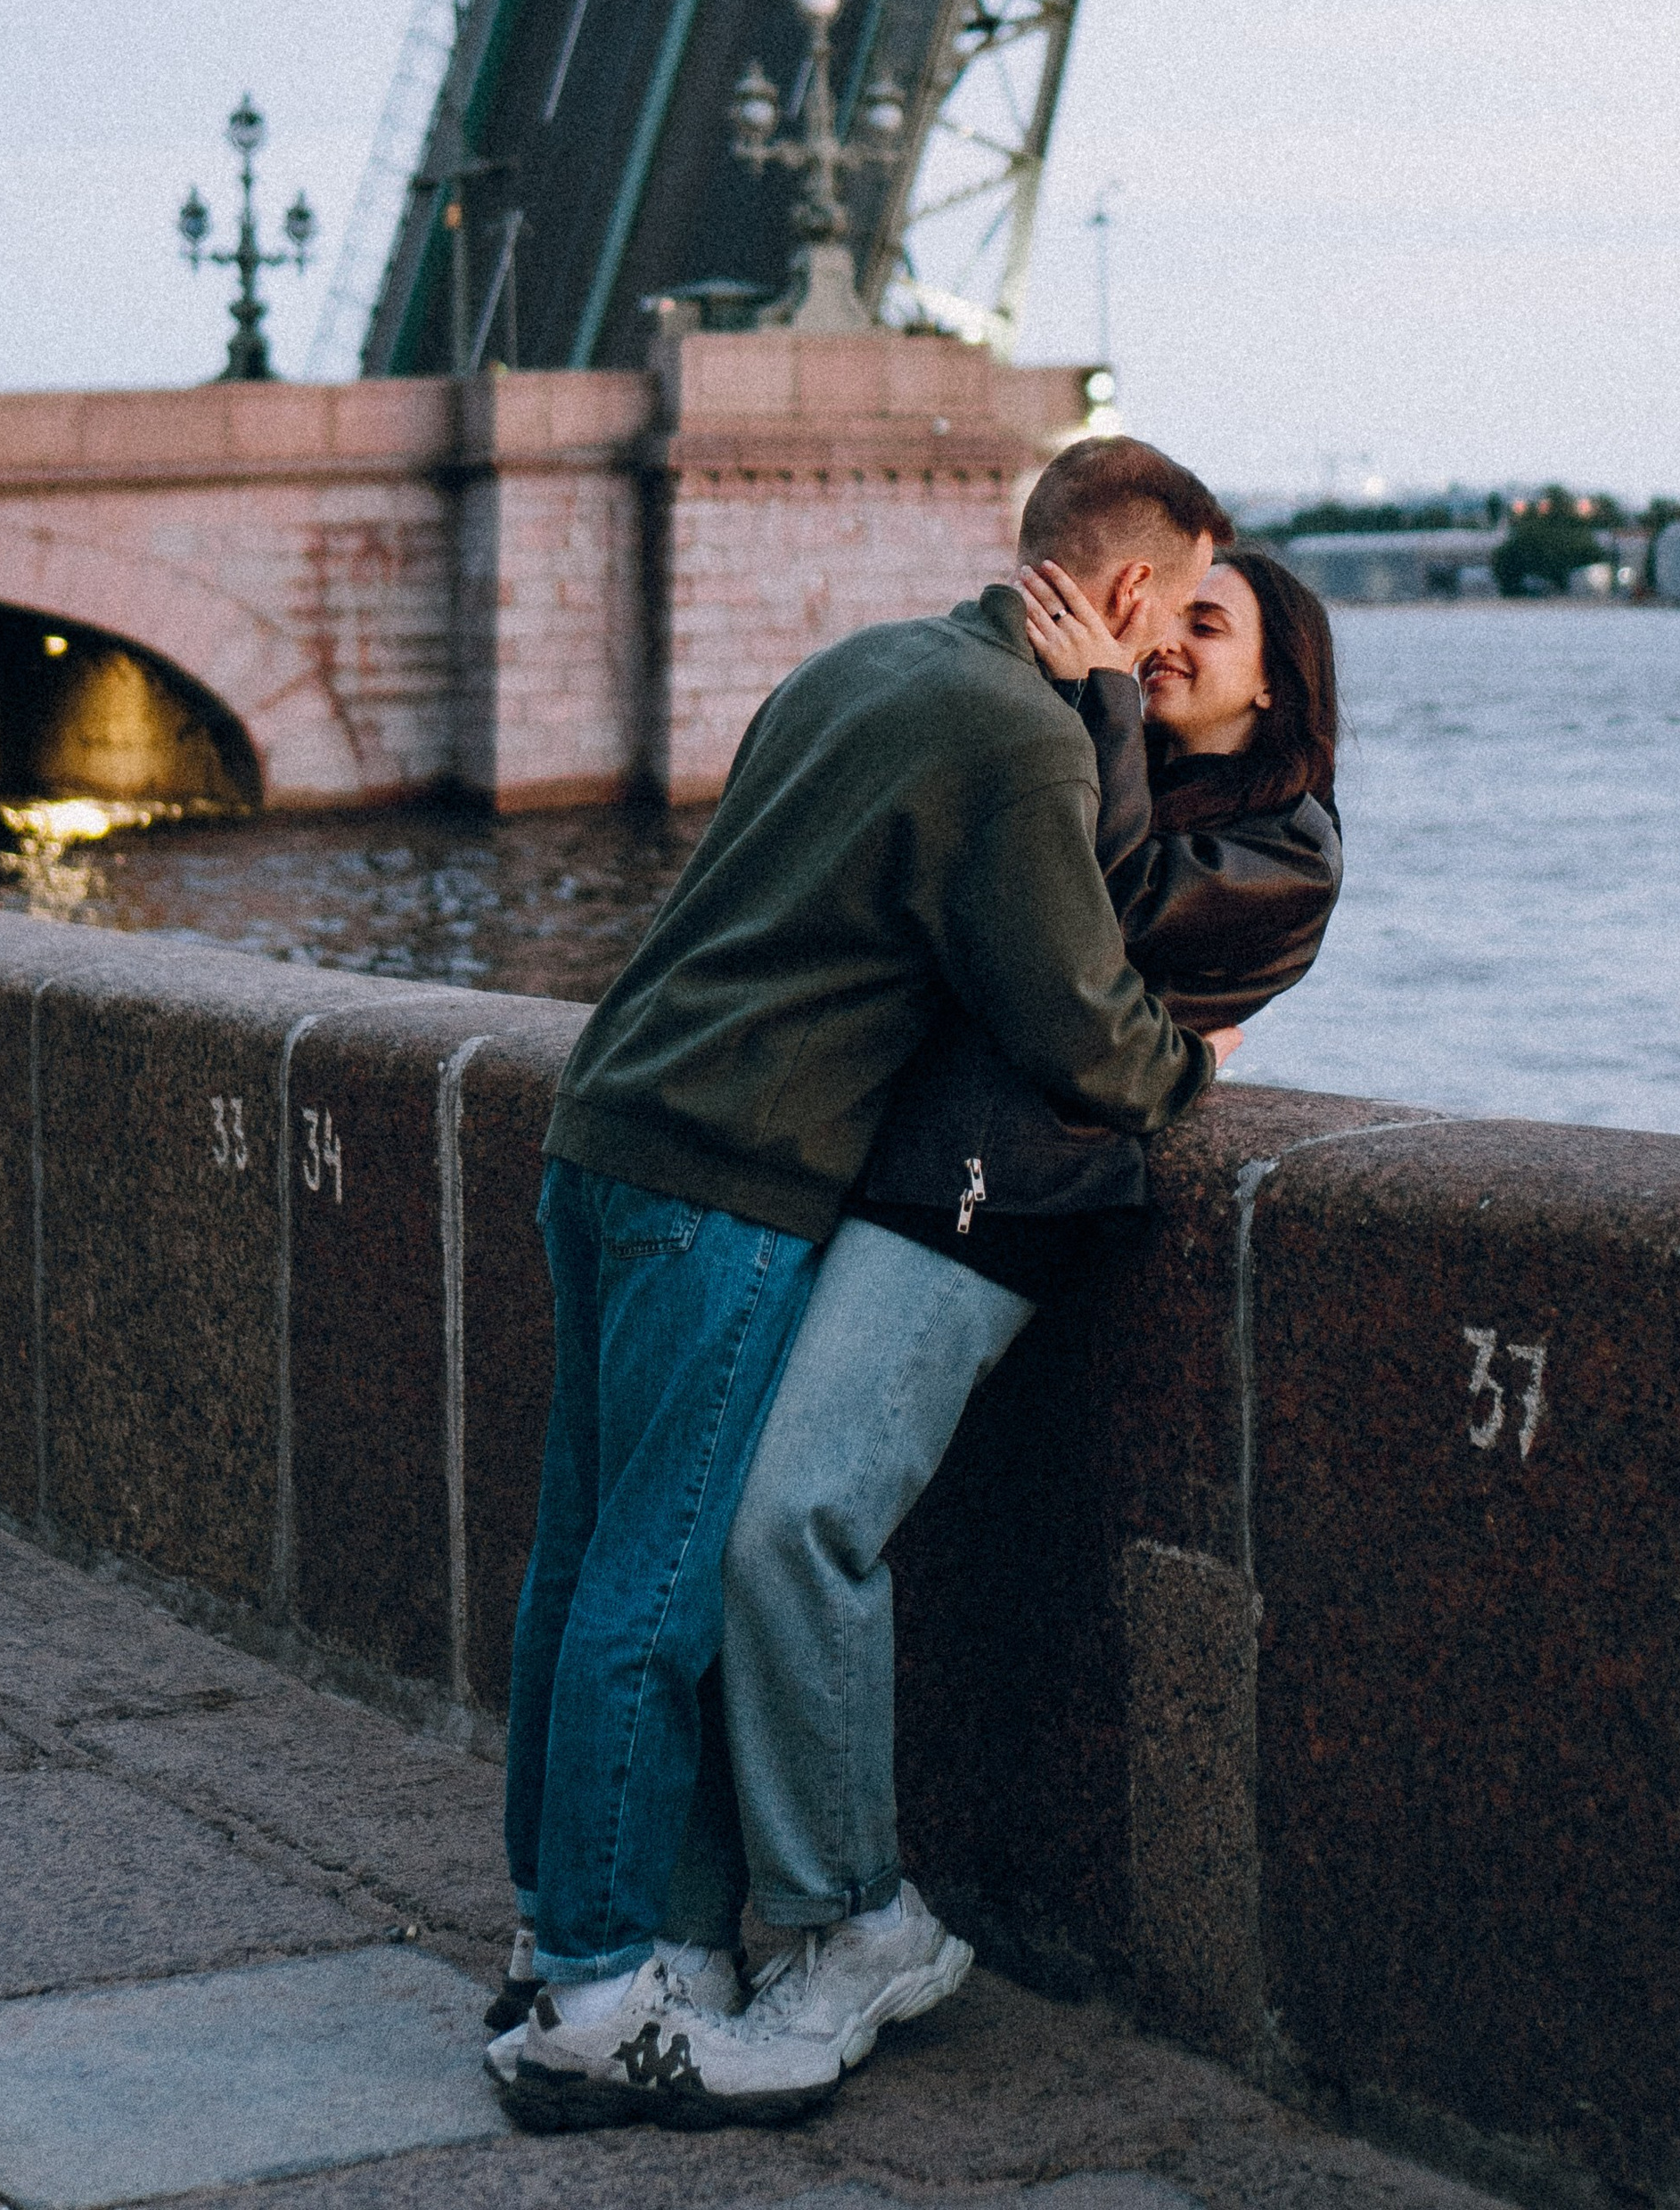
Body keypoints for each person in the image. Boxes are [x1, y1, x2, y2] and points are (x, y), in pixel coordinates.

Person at [489, 435, 1241, 2134]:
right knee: (660, 1589)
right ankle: (604, 1993)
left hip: (601, 1131)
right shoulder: (1016, 738)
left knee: (572, 1559)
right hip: (730, 1176)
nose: (1181, 634)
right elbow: (1074, 1018)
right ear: (1125, 592)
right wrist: (1186, 1078)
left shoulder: (859, 666)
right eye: (1182, 603)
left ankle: (554, 1934)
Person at [709, 543, 1342, 2062]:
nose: (1173, 643)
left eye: (1212, 627)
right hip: (901, 1169)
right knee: (751, 1521)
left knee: (794, 1521)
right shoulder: (1096, 747)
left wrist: (1105, 703)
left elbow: (1091, 933)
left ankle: (856, 1916)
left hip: (1000, 1202)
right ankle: (772, 1904)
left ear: (1282, 676)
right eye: (1163, 615)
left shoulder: (1289, 851)